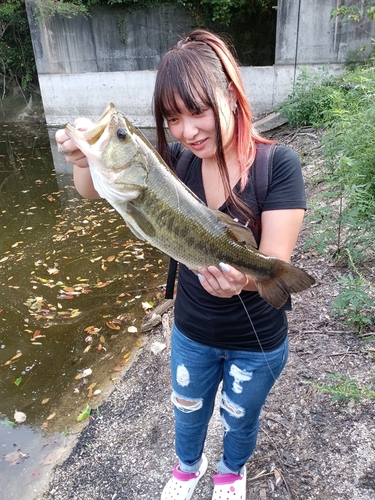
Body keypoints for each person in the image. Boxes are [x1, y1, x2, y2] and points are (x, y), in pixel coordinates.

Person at [56, 29, 306, 500]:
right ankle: (188, 468)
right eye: (173, 118)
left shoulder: (280, 165)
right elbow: (94, 190)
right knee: (187, 410)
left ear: (229, 95)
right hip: (193, 332)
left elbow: (276, 267)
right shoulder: (176, 162)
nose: (187, 131)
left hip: (258, 345)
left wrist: (242, 283)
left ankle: (232, 471)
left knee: (240, 416)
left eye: (198, 111)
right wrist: (84, 158)